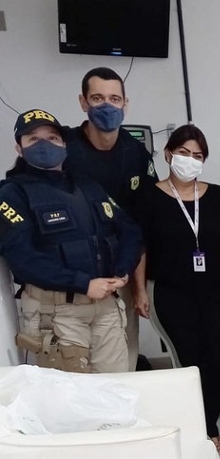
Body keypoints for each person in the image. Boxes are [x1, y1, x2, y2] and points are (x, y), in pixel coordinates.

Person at [0, 108, 142, 373]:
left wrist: (122, 270)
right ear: (19, 148)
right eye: (33, 139)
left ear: (64, 144)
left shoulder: (88, 186)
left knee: (115, 388)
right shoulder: (11, 194)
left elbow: (130, 230)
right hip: (56, 312)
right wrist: (83, 284)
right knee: (68, 393)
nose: (44, 144)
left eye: (52, 138)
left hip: (106, 307)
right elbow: (23, 259)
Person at [132, 124, 220, 452]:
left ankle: (207, 420)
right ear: (168, 155)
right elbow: (140, 248)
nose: (189, 160)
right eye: (183, 153)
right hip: (171, 293)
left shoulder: (218, 195)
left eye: (197, 155)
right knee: (191, 363)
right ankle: (202, 429)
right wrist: (139, 290)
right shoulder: (148, 197)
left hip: (216, 291)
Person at [64, 67, 158, 372]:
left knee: (123, 359)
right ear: (83, 102)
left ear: (125, 104)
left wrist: (139, 288)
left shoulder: (136, 153)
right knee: (75, 367)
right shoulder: (63, 148)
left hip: (121, 273)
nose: (107, 105)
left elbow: (142, 224)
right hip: (74, 277)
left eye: (114, 99)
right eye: (98, 98)